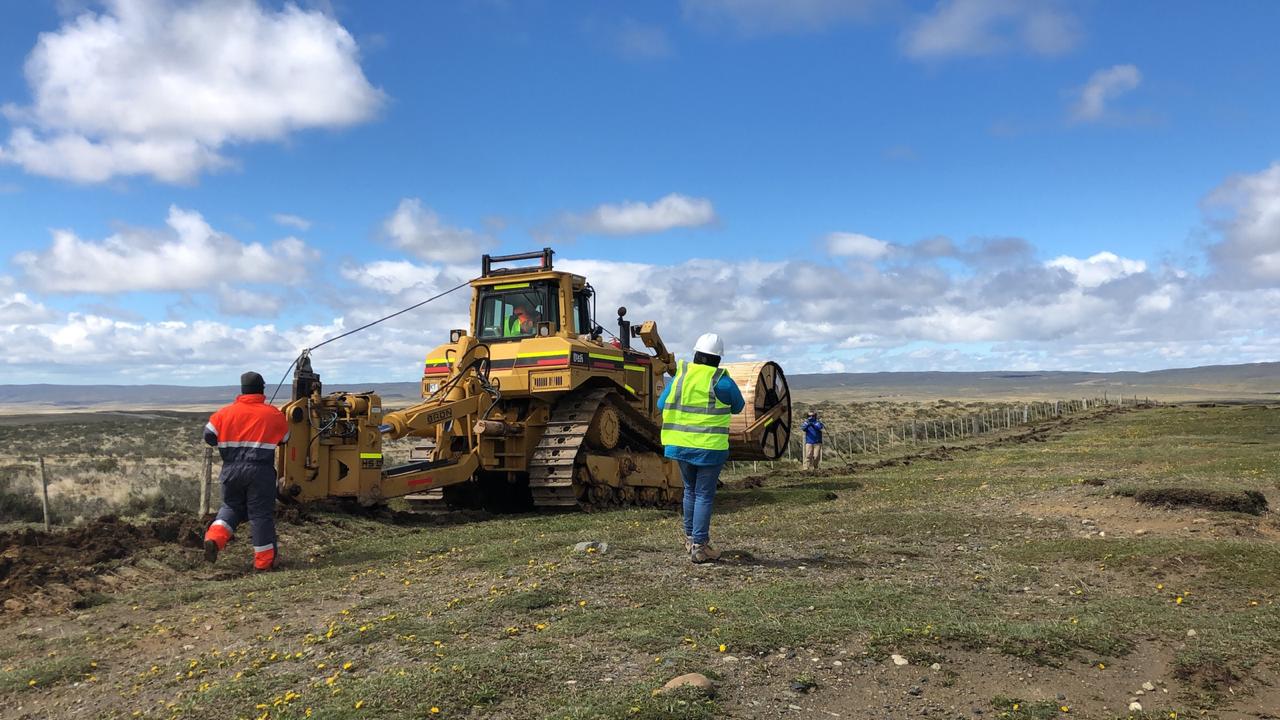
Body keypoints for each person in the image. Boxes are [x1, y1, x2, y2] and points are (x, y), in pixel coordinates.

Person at [658, 332, 745, 563]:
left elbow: (660, 404)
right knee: (704, 494)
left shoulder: (680, 377)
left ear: (696, 354)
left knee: (690, 491)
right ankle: (700, 545)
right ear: (718, 358)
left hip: (680, 445)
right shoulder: (721, 381)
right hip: (709, 448)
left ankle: (690, 540)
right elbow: (738, 406)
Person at [202, 371, 290, 571]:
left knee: (230, 508)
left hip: (231, 470)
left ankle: (214, 538)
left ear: (242, 390)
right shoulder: (273, 414)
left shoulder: (223, 413)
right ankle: (264, 563)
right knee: (260, 515)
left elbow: (209, 436)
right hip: (260, 471)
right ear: (262, 389)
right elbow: (285, 438)